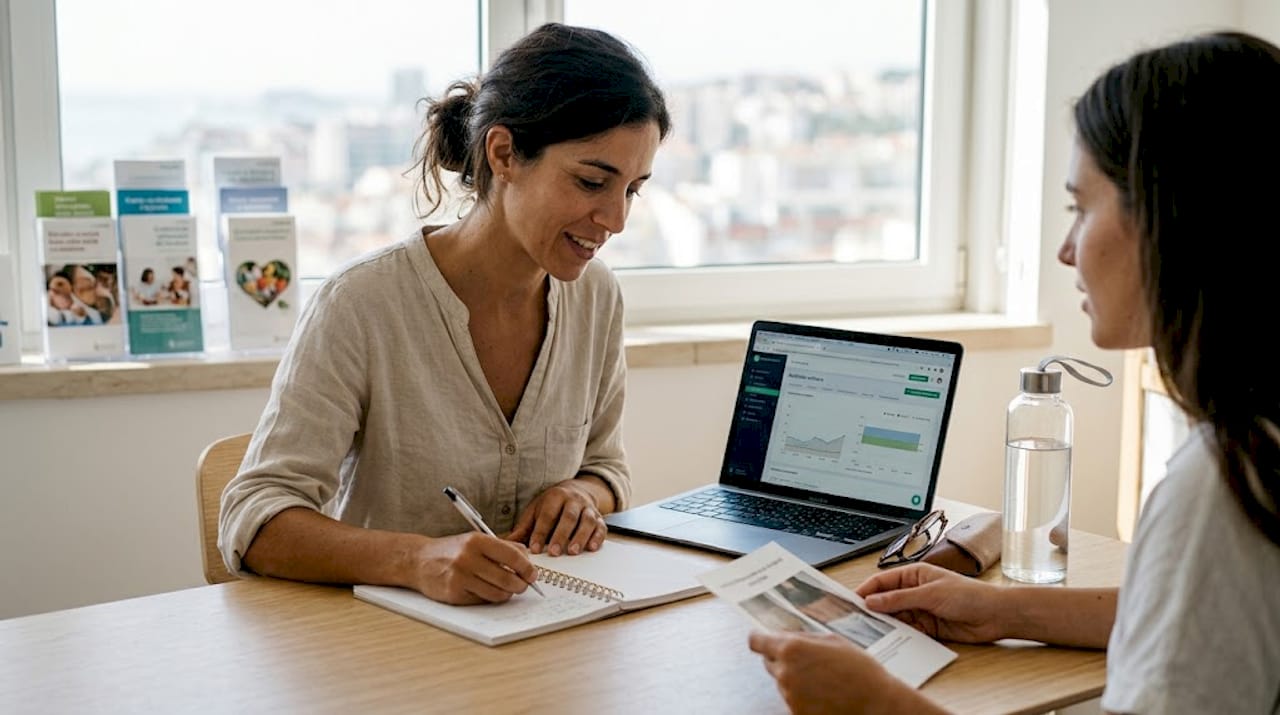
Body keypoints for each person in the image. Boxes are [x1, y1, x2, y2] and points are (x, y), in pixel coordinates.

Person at [747, 31, 1280, 714]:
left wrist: (876, 703)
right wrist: (1001, 609)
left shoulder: (1227, 483)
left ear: (1170, 215)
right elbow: (1199, 617)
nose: (1066, 250)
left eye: (1080, 208)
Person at [219, 22, 669, 607]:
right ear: (503, 154)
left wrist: (584, 494)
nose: (616, 220)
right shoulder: (361, 304)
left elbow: (606, 467)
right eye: (591, 182)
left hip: (542, 632)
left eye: (632, 190)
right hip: (389, 643)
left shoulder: (597, 296)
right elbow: (254, 518)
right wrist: (415, 560)